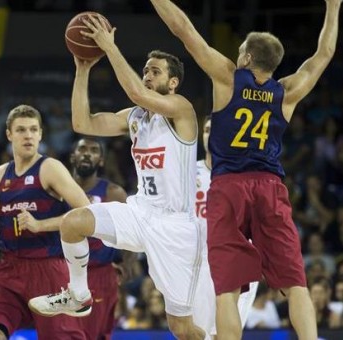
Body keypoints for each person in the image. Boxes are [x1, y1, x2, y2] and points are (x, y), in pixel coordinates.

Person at [150, 0, 342, 339]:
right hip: (270, 186)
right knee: (296, 283)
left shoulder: (227, 77)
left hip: (229, 187)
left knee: (228, 289)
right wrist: (333, 6)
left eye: (240, 52)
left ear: (248, 58)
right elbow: (323, 54)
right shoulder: (288, 91)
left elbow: (182, 28)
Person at [29, 15, 209, 340]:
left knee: (180, 327)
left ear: (173, 83)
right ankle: (78, 295)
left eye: (155, 71)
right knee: (73, 223)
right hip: (140, 212)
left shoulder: (181, 110)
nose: (147, 75)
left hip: (176, 227)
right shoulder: (136, 117)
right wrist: (82, 71)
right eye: (146, 70)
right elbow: (83, 123)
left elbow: (138, 94)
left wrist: (110, 47)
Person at [0, 104, 89, 339]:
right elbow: (7, 215)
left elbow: (86, 212)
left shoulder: (50, 168)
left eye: (34, 130)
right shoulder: (0, 173)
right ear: (9, 135)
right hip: (9, 267)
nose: (28, 135)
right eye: (21, 130)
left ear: (41, 134)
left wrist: (40, 225)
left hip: (47, 267)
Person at [195, 118, 259, 332]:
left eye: (216, 129)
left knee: (226, 335)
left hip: (235, 260)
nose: (210, 134)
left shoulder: (247, 174)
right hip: (197, 263)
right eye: (206, 130)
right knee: (195, 334)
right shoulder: (186, 174)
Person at [69, 137, 130, 340]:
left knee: (96, 336)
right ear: (73, 157)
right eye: (82, 149)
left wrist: (124, 264)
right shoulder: (57, 190)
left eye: (94, 150)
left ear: (101, 161)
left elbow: (130, 233)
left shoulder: (113, 193)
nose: (87, 153)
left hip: (100, 273)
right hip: (63, 272)